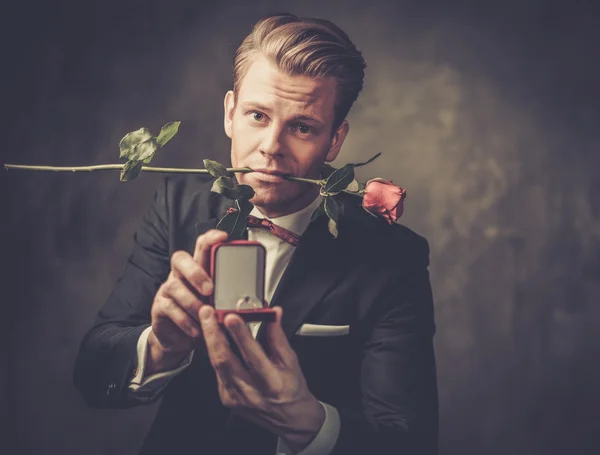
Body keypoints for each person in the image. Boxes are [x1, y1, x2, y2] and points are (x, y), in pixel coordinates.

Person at [73, 13, 439, 455]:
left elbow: (410, 441)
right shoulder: (178, 205)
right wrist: (159, 346)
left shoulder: (392, 256)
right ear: (230, 113)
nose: (271, 147)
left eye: (302, 127)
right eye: (257, 116)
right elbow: (93, 375)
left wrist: (310, 424)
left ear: (335, 141)